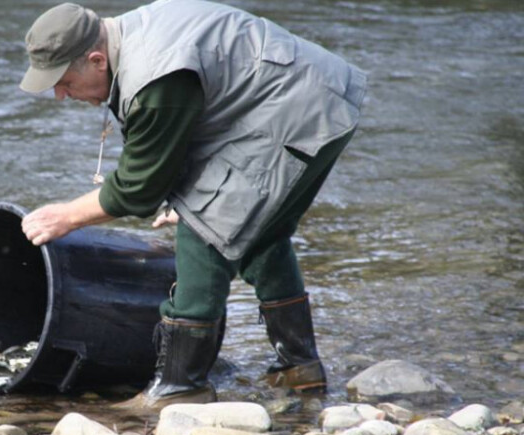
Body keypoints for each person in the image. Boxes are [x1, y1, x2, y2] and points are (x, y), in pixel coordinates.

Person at [18, 0, 366, 409]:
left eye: (63, 82)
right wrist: (186, 193)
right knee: (257, 233)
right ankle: (300, 369)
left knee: (207, 229)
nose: (59, 95)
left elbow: (138, 188)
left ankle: (181, 387)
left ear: (95, 60)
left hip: (300, 109)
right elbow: (183, 135)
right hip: (302, 95)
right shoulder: (130, 41)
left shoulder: (154, 75)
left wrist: (67, 217)